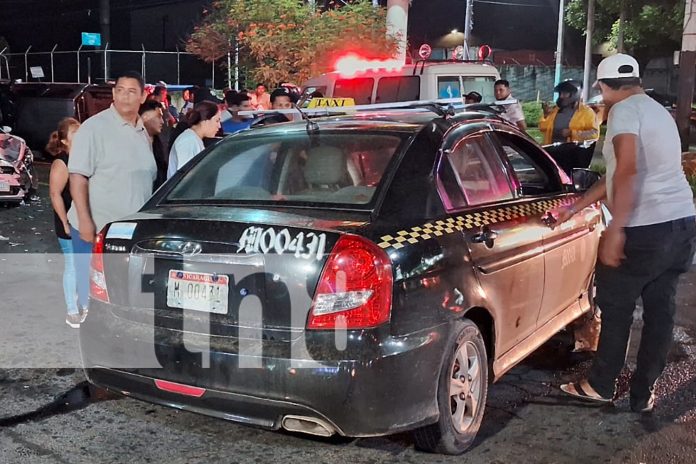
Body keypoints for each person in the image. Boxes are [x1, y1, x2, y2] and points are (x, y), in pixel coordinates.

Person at [554, 54, 696, 412]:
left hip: (644, 228)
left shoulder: (622, 112)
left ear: (603, 86)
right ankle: (643, 392)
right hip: (681, 222)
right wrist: (577, 205)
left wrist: (617, 228)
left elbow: (628, 170)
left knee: (616, 307)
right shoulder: (656, 110)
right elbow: (617, 174)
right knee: (660, 311)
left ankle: (601, 385)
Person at [68, 71, 156, 319]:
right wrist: (85, 220)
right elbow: (77, 176)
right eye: (119, 90)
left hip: (127, 231)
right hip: (95, 229)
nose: (124, 96)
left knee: (122, 295)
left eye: (131, 91)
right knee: (92, 297)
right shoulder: (94, 128)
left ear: (142, 96)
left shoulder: (142, 131)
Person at [46, 117, 83, 328]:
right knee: (72, 265)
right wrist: (65, 222)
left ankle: (81, 303)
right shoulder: (61, 162)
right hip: (68, 223)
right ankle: (71, 311)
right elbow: (54, 194)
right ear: (65, 141)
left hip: (83, 221)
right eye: (75, 134)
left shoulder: (82, 158)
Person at [167, 101, 221, 178]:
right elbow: (186, 178)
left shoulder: (194, 139)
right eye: (217, 121)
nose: (219, 126)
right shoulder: (188, 141)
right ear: (205, 120)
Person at [539, 80, 599, 145]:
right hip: (551, 151)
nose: (561, 96)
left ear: (575, 94)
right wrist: (545, 116)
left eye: (565, 93)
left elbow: (595, 134)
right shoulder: (555, 110)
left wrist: (572, 133)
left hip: (573, 151)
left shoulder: (587, 112)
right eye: (560, 93)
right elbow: (542, 129)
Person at [139, 100, 167, 189]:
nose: (162, 121)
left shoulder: (158, 143)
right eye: (158, 117)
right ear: (145, 117)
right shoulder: (134, 143)